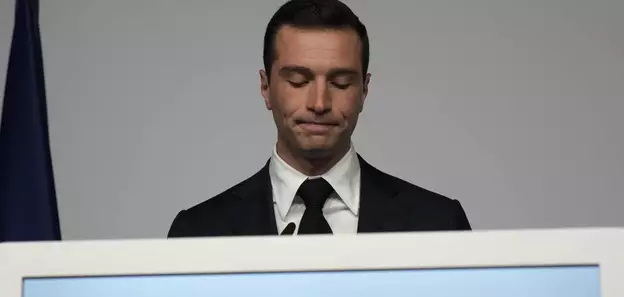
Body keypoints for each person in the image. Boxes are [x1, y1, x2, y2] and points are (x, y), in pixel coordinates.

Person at [168, 0, 471, 238]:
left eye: (341, 83)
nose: (319, 103)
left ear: (364, 90)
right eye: (299, 81)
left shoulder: (439, 223)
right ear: (265, 87)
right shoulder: (198, 231)